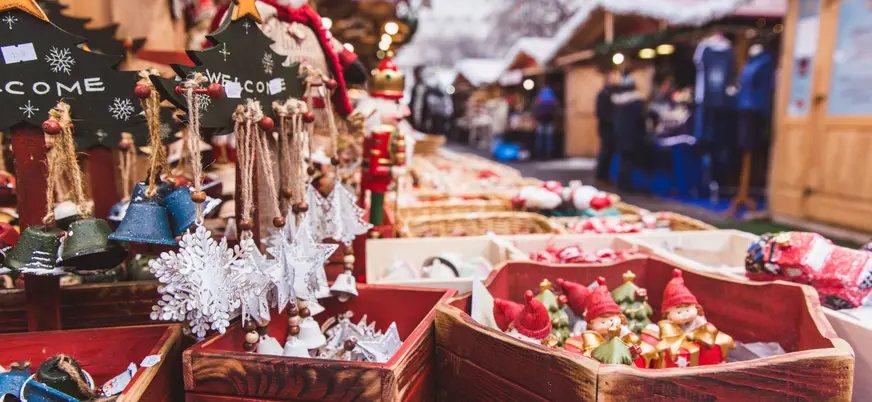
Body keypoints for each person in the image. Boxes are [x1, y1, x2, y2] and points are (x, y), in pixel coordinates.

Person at [610, 74, 646, 193]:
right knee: (628, 160)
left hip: (619, 134)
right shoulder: (635, 102)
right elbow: (640, 119)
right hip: (631, 135)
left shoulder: (617, 102)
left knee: (623, 159)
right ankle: (626, 185)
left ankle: (622, 183)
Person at [595, 69, 620, 186]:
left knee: (609, 153)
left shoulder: (609, 94)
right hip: (606, 129)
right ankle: (601, 177)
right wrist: (613, 120)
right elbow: (601, 113)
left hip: (609, 129)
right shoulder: (603, 94)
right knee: (605, 153)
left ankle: (605, 177)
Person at [533, 85, 559, 160]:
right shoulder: (552, 98)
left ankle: (539, 154)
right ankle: (549, 154)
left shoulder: (539, 98)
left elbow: (535, 108)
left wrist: (535, 118)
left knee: (540, 138)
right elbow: (556, 108)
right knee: (549, 139)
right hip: (550, 121)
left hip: (540, 120)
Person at [409, 66, 431, 133]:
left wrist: (416, 120)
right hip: (420, 118)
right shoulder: (420, 85)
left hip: (420, 119)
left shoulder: (420, 86)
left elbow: (418, 105)